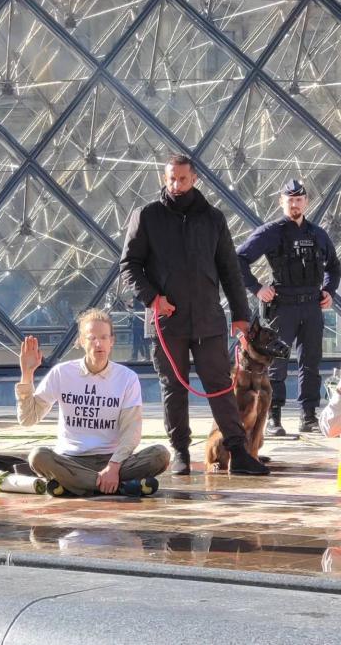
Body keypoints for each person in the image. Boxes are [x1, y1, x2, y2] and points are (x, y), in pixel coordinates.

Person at [120, 153, 269, 476]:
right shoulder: (146, 216)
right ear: (165, 178)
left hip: (208, 320)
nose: (176, 184)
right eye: (171, 178)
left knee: (219, 385)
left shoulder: (213, 219)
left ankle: (238, 450)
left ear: (194, 179)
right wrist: (153, 298)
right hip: (166, 321)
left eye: (182, 179)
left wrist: (241, 316)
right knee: (173, 387)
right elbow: (129, 266)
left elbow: (230, 269)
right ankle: (181, 453)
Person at [15, 308, 170, 497]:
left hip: (113, 460)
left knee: (160, 455)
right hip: (71, 460)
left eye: (104, 337)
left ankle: (75, 485)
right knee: (38, 457)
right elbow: (28, 418)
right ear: (81, 341)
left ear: (112, 341)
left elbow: (132, 431)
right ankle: (117, 487)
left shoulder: (127, 378)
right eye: (92, 338)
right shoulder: (62, 373)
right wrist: (27, 374)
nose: (99, 343)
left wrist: (113, 466)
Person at [237, 179, 341, 436]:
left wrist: (328, 290)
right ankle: (273, 418)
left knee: (311, 363)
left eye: (299, 199)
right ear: (281, 202)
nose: (295, 204)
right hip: (282, 307)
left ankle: (308, 417)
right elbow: (238, 259)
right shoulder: (271, 232)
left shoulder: (318, 234)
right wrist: (257, 288)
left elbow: (334, 266)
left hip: (312, 307)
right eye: (290, 200)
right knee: (276, 365)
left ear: (306, 201)